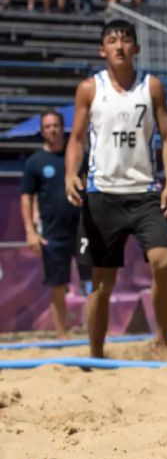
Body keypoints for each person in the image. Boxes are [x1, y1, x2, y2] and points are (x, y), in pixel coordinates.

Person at [64, 19, 167, 358]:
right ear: (103, 50)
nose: (119, 45)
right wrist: (72, 172)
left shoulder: (152, 86)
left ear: (136, 48)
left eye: (125, 40)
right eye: (112, 40)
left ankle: (161, 341)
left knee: (164, 262)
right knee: (102, 280)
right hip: (102, 192)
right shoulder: (89, 88)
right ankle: (96, 354)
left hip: (144, 191)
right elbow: (76, 138)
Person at [19, 111, 84, 337]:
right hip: (53, 232)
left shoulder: (75, 157)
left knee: (95, 280)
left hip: (82, 230)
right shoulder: (35, 162)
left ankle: (97, 329)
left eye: (56, 125)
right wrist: (30, 231)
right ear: (42, 130)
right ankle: (62, 335)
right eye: (48, 126)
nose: (52, 130)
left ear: (62, 127)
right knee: (58, 285)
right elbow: (26, 196)